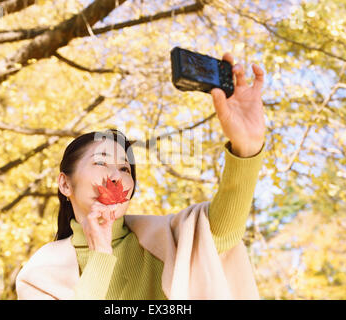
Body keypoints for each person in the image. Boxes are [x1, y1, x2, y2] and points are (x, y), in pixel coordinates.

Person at [15, 52, 267, 299]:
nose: (115, 176)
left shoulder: (169, 238)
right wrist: (101, 257)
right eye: (101, 162)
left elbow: (223, 232)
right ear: (65, 183)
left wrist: (247, 145)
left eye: (125, 168)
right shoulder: (39, 274)